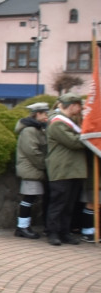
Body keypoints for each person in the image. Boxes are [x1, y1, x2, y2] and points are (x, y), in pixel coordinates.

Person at [44, 94, 87, 246]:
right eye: (78, 105)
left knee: (69, 205)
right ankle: (53, 232)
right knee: (58, 203)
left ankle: (64, 232)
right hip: (61, 169)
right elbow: (74, 142)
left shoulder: (72, 121)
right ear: (71, 105)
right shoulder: (57, 122)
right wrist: (91, 137)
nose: (80, 108)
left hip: (73, 169)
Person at [14, 102, 49, 239]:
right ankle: (22, 227)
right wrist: (45, 165)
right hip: (31, 169)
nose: (47, 116)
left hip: (33, 168)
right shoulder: (29, 130)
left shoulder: (37, 129)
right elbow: (32, 152)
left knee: (30, 198)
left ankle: (23, 226)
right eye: (44, 113)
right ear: (37, 114)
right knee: (28, 198)